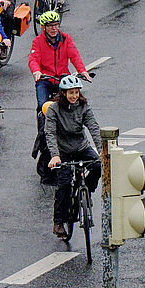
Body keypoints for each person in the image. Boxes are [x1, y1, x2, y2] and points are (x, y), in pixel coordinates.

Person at [44, 74, 102, 240]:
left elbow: (93, 127)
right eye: (70, 93)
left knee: (98, 166)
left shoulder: (83, 106)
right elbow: (50, 133)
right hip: (62, 151)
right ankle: (59, 222)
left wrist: (100, 150)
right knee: (64, 184)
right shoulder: (54, 109)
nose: (74, 96)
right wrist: (55, 155)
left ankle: (87, 190)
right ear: (63, 93)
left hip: (81, 147)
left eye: (76, 92)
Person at [28, 11, 88, 108]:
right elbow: (33, 60)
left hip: (63, 78)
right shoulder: (38, 41)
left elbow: (75, 56)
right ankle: (42, 121)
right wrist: (36, 71)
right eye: (50, 26)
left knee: (77, 103)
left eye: (56, 25)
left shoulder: (66, 39)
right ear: (44, 27)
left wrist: (82, 71)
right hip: (45, 79)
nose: (54, 28)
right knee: (42, 105)